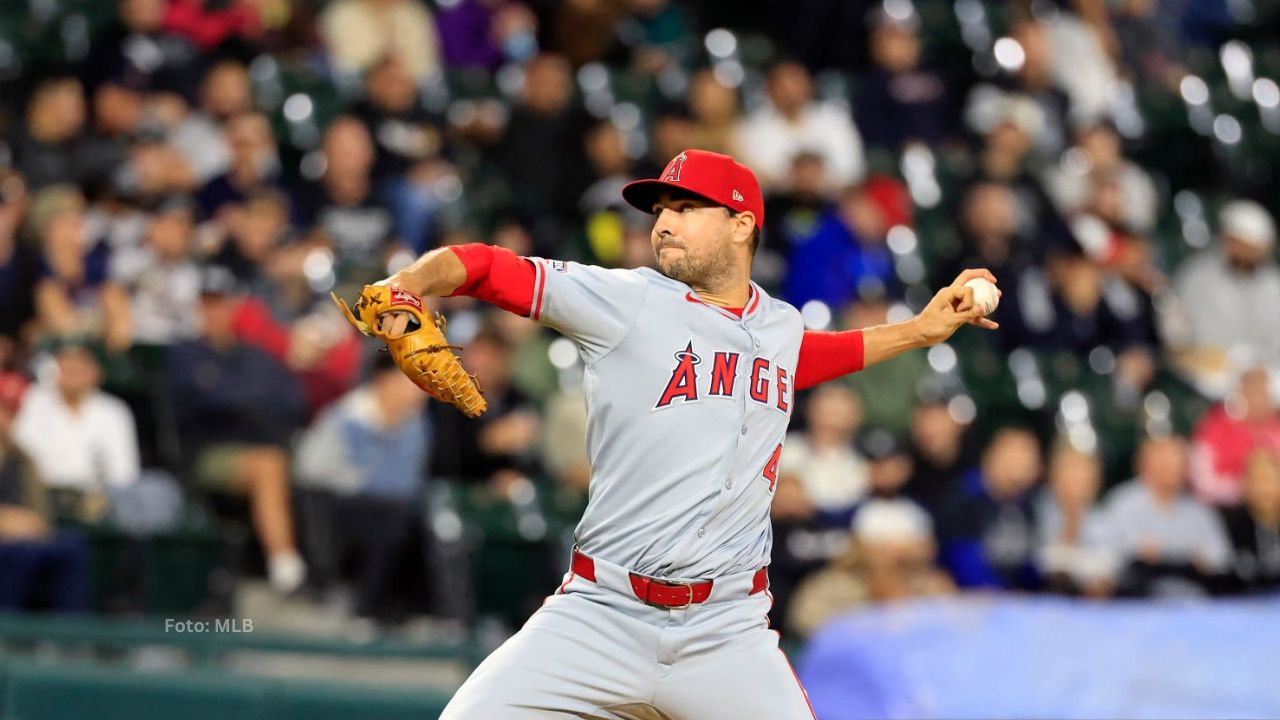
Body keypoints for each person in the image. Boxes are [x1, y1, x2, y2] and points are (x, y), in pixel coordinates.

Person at [373, 148, 996, 718]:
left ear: (742, 224)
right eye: (660, 210)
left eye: (686, 207)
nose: (664, 222)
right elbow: (485, 267)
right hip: (601, 613)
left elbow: (812, 355)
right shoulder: (624, 299)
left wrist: (918, 331)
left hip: (726, 632)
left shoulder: (778, 327)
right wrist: (407, 287)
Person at [165, 266, 308, 593]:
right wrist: (250, 403)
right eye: (207, 304)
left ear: (233, 308)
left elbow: (290, 401)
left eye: (220, 303)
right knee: (268, 465)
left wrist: (245, 402)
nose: (213, 312)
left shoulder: (254, 356)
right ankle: (285, 565)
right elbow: (211, 401)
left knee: (304, 467)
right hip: (207, 454)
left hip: (262, 445)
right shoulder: (185, 354)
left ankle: (324, 573)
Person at [294, 353, 431, 620]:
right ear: (385, 381)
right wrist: (363, 480)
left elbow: (411, 479)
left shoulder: (417, 424)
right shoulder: (346, 417)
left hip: (393, 505)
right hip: (340, 505)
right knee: (390, 518)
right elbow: (310, 470)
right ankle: (365, 604)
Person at [11, 340, 140, 521]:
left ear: (96, 372)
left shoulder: (114, 411)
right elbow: (22, 459)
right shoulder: (33, 402)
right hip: (44, 497)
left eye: (80, 364)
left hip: (99, 502)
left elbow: (124, 474)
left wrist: (98, 497)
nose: (72, 371)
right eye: (65, 364)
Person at [1101, 435, 1233, 597]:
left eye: (1178, 463)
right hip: (1136, 602)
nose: (1172, 468)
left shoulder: (1200, 511)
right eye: (1164, 462)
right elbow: (1110, 555)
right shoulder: (1122, 503)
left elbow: (1219, 559)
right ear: (1144, 464)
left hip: (1193, 601)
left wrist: (1164, 555)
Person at [1171, 200, 1280, 395]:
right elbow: (1197, 339)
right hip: (1215, 371)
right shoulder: (1198, 276)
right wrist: (1241, 365)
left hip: (1266, 370)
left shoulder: (1273, 282)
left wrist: (1261, 367)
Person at [1035, 440, 1119, 597]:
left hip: (1092, 608)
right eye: (1069, 469)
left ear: (1096, 480)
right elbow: (1045, 564)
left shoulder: (1104, 519)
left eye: (1083, 471)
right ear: (1054, 475)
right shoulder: (1038, 511)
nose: (1075, 478)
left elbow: (1109, 569)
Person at [1191, 368, 1280, 506]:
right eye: (1252, 392)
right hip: (1225, 510)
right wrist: (1249, 489)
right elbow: (1203, 483)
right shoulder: (1213, 427)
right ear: (1240, 394)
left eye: (1263, 393)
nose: (1258, 400)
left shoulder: (1276, 430)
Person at [1221, 450, 1280, 593]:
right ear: (1244, 485)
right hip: (1245, 607)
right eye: (1254, 480)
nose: (1262, 488)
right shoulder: (1229, 525)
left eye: (1267, 479)